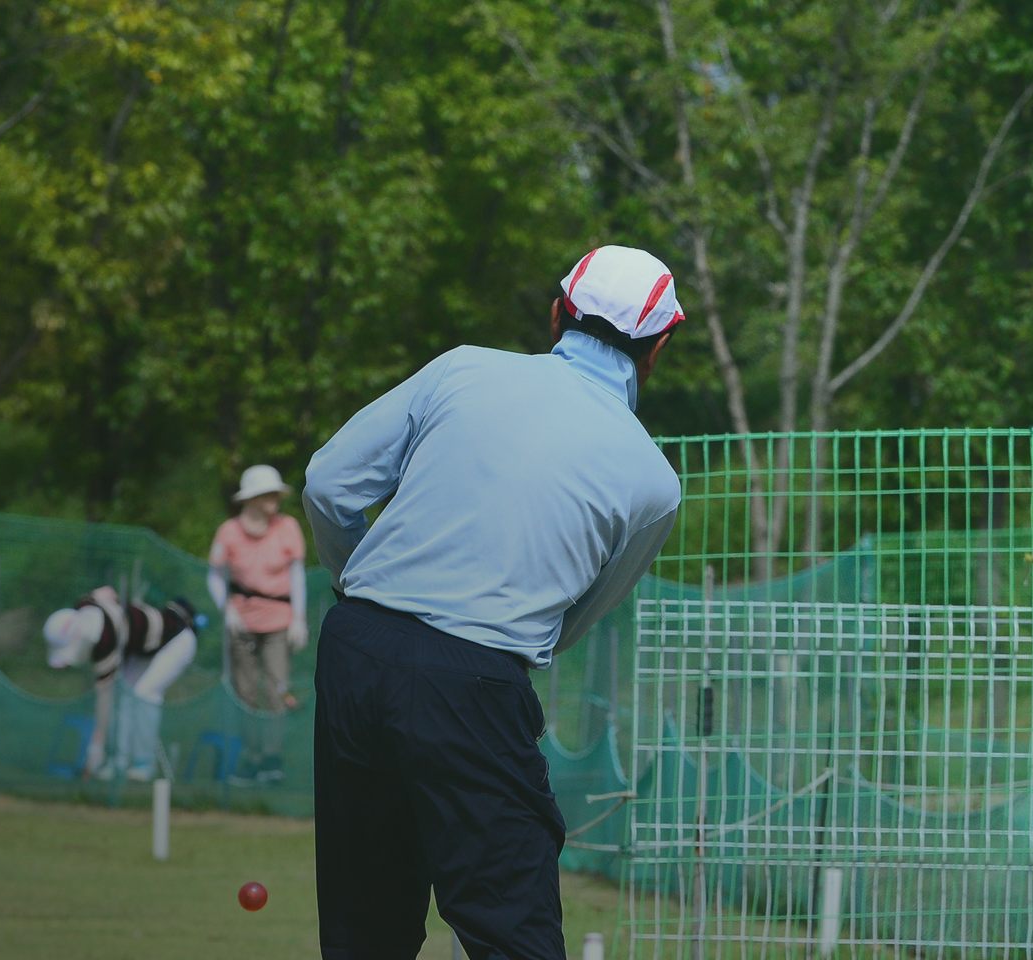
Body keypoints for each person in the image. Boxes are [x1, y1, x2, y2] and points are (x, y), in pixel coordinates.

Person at [303, 245, 684, 959]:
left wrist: (358, 586)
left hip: (356, 649)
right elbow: (575, 618)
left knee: (364, 930)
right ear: (659, 347)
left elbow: (328, 485)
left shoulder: (461, 368)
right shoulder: (654, 483)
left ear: (555, 315)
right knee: (513, 932)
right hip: (475, 680)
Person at [207, 464, 308, 785]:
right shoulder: (229, 532)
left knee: (278, 689)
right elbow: (215, 576)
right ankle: (250, 759)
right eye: (268, 494)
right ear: (252, 498)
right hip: (242, 623)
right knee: (246, 692)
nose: (275, 499)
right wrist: (228, 610)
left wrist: (298, 618)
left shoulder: (288, 527)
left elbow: (297, 575)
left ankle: (272, 759)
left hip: (279, 621)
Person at [43, 588, 200, 782]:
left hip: (177, 640)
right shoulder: (85, 605)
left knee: (144, 694)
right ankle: (119, 761)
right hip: (144, 648)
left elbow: (104, 702)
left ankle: (143, 764)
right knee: (124, 696)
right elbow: (105, 592)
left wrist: (95, 748)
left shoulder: (105, 641)